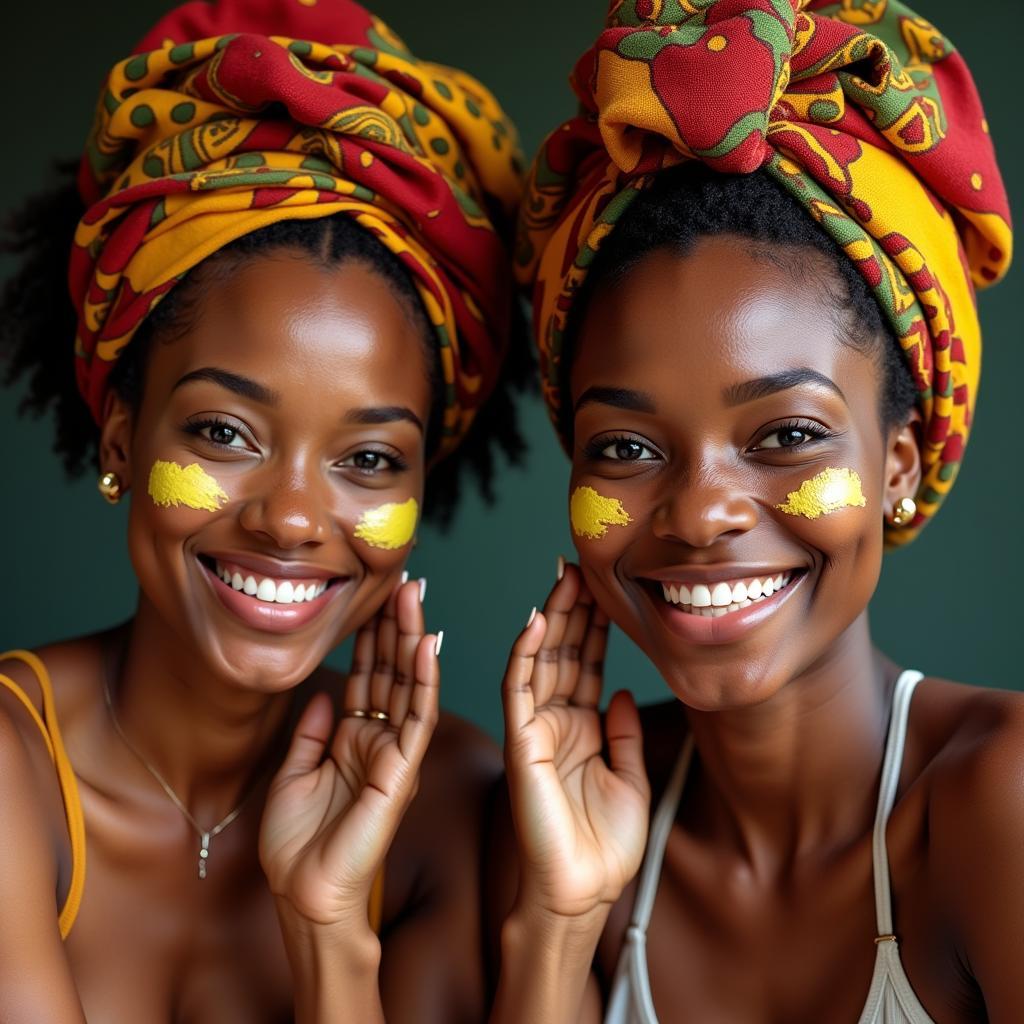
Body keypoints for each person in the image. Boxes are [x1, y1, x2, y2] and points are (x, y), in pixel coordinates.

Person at [490, 1, 1018, 1021]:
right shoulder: (560, 815)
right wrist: (557, 922)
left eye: (784, 435)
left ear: (900, 461)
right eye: (626, 448)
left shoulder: (999, 803)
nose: (697, 513)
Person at [0, 0, 525, 1020]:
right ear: (121, 437)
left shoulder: (454, 802)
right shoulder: (14, 763)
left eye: (369, 457)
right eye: (225, 434)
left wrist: (328, 925)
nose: (291, 518)